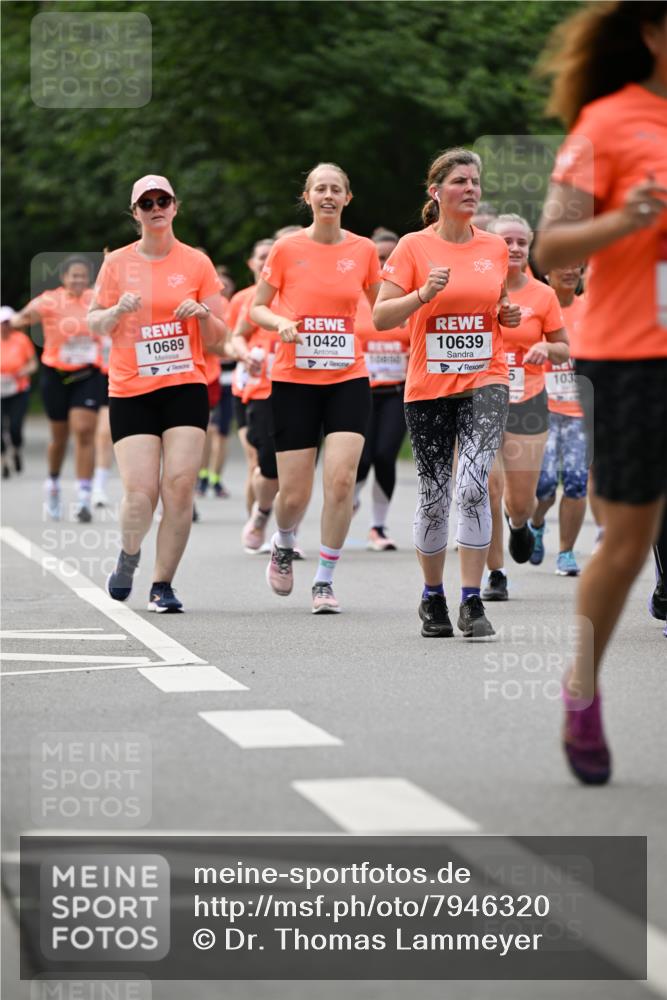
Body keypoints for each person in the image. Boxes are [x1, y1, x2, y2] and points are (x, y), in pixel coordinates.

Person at [534, 0, 667, 783]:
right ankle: (581, 690)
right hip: (633, 356)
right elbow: (552, 243)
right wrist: (623, 220)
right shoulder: (605, 125)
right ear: (650, 31)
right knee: (626, 540)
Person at [373, 148, 521, 639]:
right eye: (460, 181)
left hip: (486, 381)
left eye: (476, 181)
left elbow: (496, 303)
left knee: (474, 486)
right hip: (429, 386)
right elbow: (380, 317)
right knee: (435, 497)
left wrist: (506, 316)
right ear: (435, 193)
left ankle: (472, 600)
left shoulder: (495, 247)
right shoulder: (414, 247)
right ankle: (432, 597)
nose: (471, 189)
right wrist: (421, 295)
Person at [87, 174, 227, 612]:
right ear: (136, 213)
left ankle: (162, 584)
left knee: (180, 487)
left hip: (185, 384)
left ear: (175, 206)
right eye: (145, 203)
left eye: (162, 199)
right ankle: (129, 555)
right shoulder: (117, 265)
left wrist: (203, 315)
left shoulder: (196, 263)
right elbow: (93, 323)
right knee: (141, 493)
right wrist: (114, 310)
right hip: (132, 388)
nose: (155, 207)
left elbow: (219, 339)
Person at [250, 162, 381, 614]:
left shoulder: (364, 250)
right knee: (294, 494)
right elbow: (257, 309)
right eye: (320, 189)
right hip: (293, 380)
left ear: (348, 198)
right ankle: (283, 541)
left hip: (348, 377)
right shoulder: (287, 249)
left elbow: (382, 310)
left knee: (342, 481)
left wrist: (424, 300)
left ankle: (324, 578)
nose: (328, 195)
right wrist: (282, 322)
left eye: (336, 189)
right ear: (308, 197)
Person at [482, 215, 568, 601]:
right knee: (487, 487)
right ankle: (495, 572)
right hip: (481, 397)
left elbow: (564, 347)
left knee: (519, 500)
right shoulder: (477, 287)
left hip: (528, 401)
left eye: (521, 242)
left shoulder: (542, 295)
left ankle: (520, 524)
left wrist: (546, 348)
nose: (514, 248)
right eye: (506, 241)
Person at [12, 255, 101, 522]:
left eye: (82, 276)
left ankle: (84, 497)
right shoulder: (50, 300)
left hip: (88, 374)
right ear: (63, 278)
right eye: (73, 276)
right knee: (59, 437)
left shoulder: (95, 299)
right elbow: (19, 320)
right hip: (56, 374)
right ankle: (52, 484)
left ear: (88, 279)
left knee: (85, 431)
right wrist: (17, 320)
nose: (78, 280)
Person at [353, 227, 410, 550]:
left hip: (398, 391)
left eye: (390, 258)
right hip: (360, 390)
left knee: (385, 456)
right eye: (378, 258)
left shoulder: (403, 301)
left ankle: (378, 526)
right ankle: (354, 496)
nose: (384, 264)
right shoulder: (356, 299)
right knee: (361, 460)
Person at [530, 264, 588, 576]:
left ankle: (566, 552)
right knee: (545, 485)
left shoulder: (591, 310)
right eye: (562, 265)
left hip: (581, 412)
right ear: (546, 273)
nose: (569, 270)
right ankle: (536, 523)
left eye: (576, 265)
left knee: (577, 483)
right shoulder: (538, 305)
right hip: (544, 409)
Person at [223, 239, 274, 513]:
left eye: (271, 256)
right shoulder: (242, 298)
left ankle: (265, 518)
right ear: (251, 263)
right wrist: (244, 355)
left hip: (277, 387)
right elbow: (229, 344)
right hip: (245, 390)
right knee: (255, 460)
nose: (266, 261)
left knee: (274, 466)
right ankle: (255, 525)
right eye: (261, 256)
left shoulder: (287, 297)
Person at [1, 306, 37, 478]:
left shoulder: (21, 340)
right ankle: (4, 461)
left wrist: (22, 372)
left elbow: (33, 364)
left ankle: (16, 450)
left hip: (18, 389)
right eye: (2, 323)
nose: (4, 326)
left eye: (7, 322)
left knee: (15, 427)